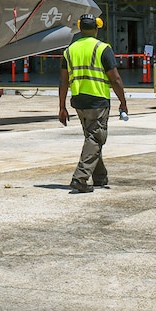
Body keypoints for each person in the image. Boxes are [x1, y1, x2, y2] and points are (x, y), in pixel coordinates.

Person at [58, 14, 128, 193]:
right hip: (97, 100)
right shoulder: (102, 48)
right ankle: (80, 178)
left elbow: (63, 81)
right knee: (96, 138)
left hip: (79, 101)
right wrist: (123, 102)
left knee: (93, 137)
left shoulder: (69, 50)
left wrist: (62, 107)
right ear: (97, 28)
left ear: (80, 28)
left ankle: (100, 177)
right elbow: (115, 79)